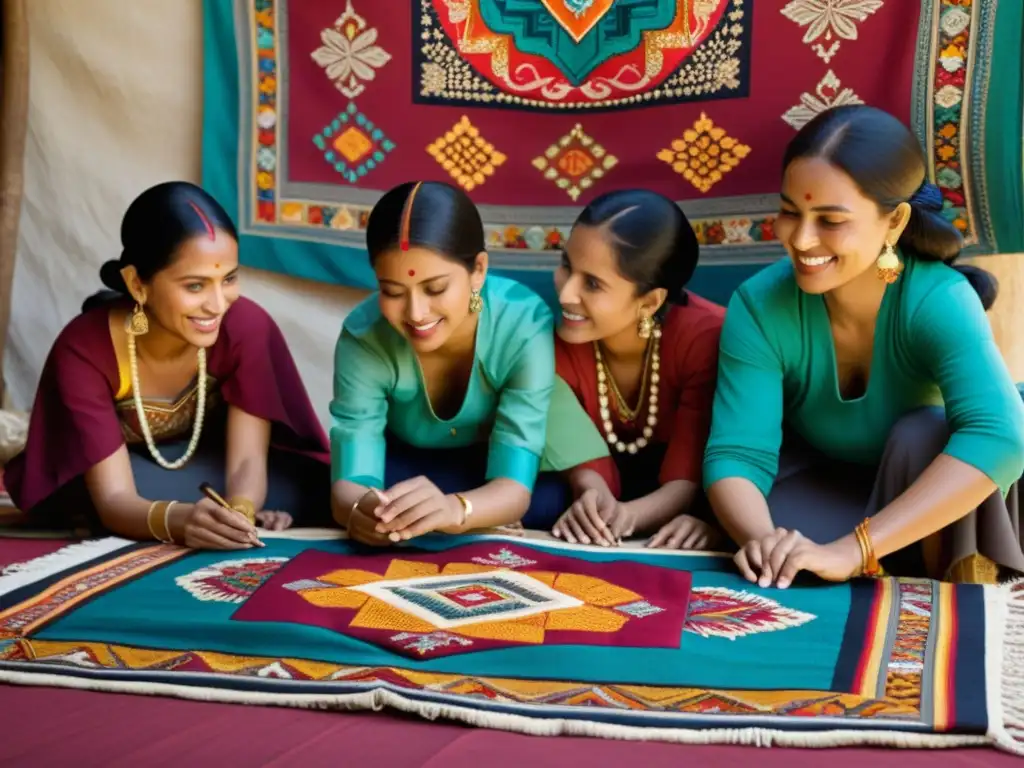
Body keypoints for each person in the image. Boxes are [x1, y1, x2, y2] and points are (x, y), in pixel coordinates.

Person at [703, 105, 1024, 588]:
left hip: (937, 496)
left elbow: (999, 437)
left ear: (894, 222)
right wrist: (765, 542)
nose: (801, 238)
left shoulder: (938, 299)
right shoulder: (759, 305)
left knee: (923, 433)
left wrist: (857, 550)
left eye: (830, 220)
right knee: (780, 551)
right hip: (829, 485)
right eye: (791, 212)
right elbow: (737, 454)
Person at [6, 182, 331, 549]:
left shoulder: (246, 326)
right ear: (137, 283)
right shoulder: (84, 348)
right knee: (105, 494)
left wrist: (239, 514)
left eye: (229, 279)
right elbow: (115, 499)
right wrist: (178, 520)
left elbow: (246, 464)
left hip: (213, 465)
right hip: (121, 475)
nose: (218, 304)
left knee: (300, 487)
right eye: (195, 286)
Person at [330, 181, 615, 545]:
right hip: (400, 474)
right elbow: (351, 483)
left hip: (492, 468)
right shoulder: (364, 334)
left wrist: (456, 511)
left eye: (435, 289)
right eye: (392, 292)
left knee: (552, 501)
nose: (416, 314)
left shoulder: (522, 323)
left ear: (478, 270)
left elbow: (513, 486)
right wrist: (363, 511)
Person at [551, 189, 725, 549]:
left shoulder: (704, 339)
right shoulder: (553, 345)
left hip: (698, 491)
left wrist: (624, 517)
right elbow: (580, 456)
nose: (566, 293)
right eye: (566, 265)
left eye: (592, 283)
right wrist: (594, 501)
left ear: (649, 301)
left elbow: (690, 474)